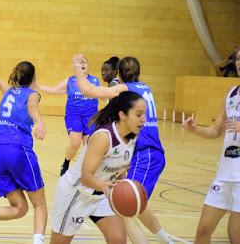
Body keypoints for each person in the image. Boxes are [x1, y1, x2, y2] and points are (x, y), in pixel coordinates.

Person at [73, 54, 173, 244]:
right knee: (138, 206)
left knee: (122, 207)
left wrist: (78, 68)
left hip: (146, 155)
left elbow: (88, 90)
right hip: (144, 154)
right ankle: (167, 241)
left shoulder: (127, 91)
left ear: (119, 74)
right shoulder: (144, 88)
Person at [50, 91, 146, 244]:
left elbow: (118, 169)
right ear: (123, 115)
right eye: (139, 114)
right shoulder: (104, 137)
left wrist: (126, 186)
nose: (144, 119)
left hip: (100, 194)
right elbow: (86, 177)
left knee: (118, 240)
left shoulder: (133, 138)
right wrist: (105, 186)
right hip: (76, 193)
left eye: (144, 114)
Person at [0, 62, 47, 244]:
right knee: (40, 205)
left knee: (20, 207)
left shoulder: (9, 93)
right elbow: (33, 105)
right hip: (17, 150)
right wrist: (40, 122)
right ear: (34, 79)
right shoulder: (32, 93)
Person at [182, 46, 240, 243]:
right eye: (239, 59)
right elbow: (215, 130)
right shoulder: (231, 94)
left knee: (235, 235)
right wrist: (196, 129)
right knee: (203, 231)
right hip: (224, 175)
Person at [35, 55, 101, 176]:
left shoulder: (95, 81)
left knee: (89, 147)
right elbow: (54, 90)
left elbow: (99, 94)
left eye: (85, 62)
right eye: (80, 63)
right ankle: (66, 163)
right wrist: (38, 85)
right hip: (74, 115)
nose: (83, 65)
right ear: (75, 66)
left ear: (88, 65)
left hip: (91, 117)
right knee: (75, 142)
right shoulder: (70, 81)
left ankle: (87, 173)